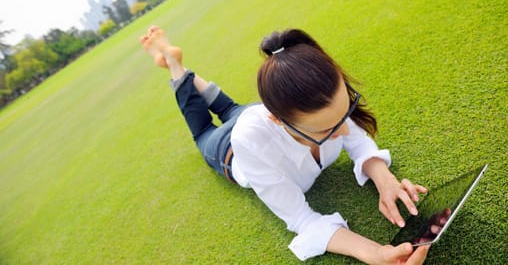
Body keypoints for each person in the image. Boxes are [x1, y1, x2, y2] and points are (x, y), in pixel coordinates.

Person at [140, 26, 431, 264]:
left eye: (345, 112)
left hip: (256, 114)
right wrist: (375, 253)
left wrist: (383, 178)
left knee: (231, 108)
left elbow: (357, 140)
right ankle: (176, 67)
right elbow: (302, 218)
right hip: (227, 150)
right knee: (203, 127)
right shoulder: (250, 142)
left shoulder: (315, 105)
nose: (344, 129)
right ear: (280, 121)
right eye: (328, 128)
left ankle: (180, 64)